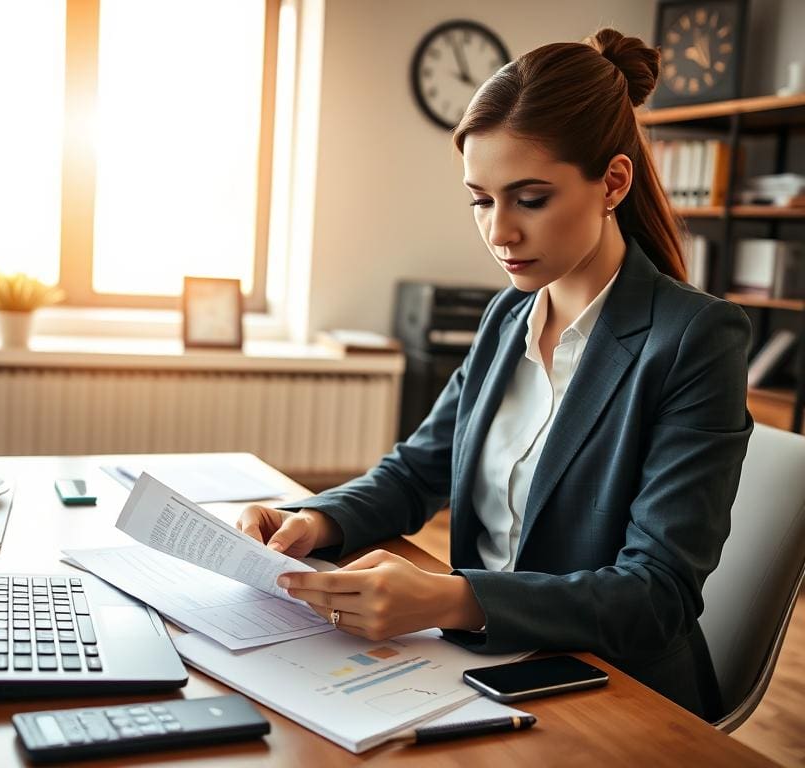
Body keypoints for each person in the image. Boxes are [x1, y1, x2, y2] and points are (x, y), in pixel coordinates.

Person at [236, 28, 752, 721]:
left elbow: (655, 593)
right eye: (481, 199)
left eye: (529, 198)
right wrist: (313, 520)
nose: (499, 231)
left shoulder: (694, 339)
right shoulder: (507, 318)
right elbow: (417, 472)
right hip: (479, 667)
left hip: (612, 691)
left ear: (614, 183)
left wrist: (455, 596)